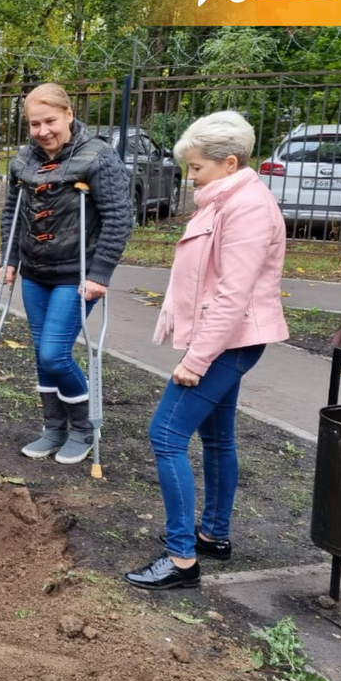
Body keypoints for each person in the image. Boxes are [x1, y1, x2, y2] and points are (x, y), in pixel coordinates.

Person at [125, 111, 288, 590]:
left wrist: (195, 361)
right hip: (225, 339)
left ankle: (181, 560)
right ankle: (213, 535)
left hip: (230, 342)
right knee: (217, 438)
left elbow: (232, 295)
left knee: (166, 435)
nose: (189, 176)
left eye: (196, 168)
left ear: (229, 161)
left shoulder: (247, 208)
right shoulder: (224, 200)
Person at [0, 83, 133, 465]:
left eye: (50, 121)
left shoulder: (98, 156)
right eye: (35, 123)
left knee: (55, 354)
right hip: (34, 272)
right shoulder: (24, 160)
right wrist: (8, 258)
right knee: (43, 356)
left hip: (77, 275)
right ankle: (54, 428)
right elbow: (12, 212)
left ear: (69, 114)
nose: (43, 131)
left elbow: (120, 219)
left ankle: (83, 428)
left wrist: (101, 273)